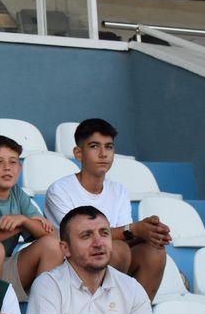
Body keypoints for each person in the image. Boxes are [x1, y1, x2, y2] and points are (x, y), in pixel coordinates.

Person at [43, 118, 169, 300]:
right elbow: (77, 237)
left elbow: (126, 235)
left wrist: (151, 231)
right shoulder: (60, 190)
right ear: (78, 153)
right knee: (117, 249)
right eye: (94, 146)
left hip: (112, 261)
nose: (103, 154)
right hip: (71, 263)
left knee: (154, 251)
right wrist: (133, 229)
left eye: (109, 147)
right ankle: (103, 311)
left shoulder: (119, 190)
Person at [27, 205, 164, 314]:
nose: (98, 243)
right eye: (86, 236)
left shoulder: (132, 287)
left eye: (104, 233)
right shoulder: (47, 286)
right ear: (65, 249)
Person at [0, 135, 62, 300]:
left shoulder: (17, 194)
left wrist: (23, 220)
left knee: (53, 244)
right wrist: (25, 224)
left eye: (13, 162)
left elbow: (48, 234)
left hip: (5, 267)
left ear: (20, 167)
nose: (7, 168)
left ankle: (43, 308)